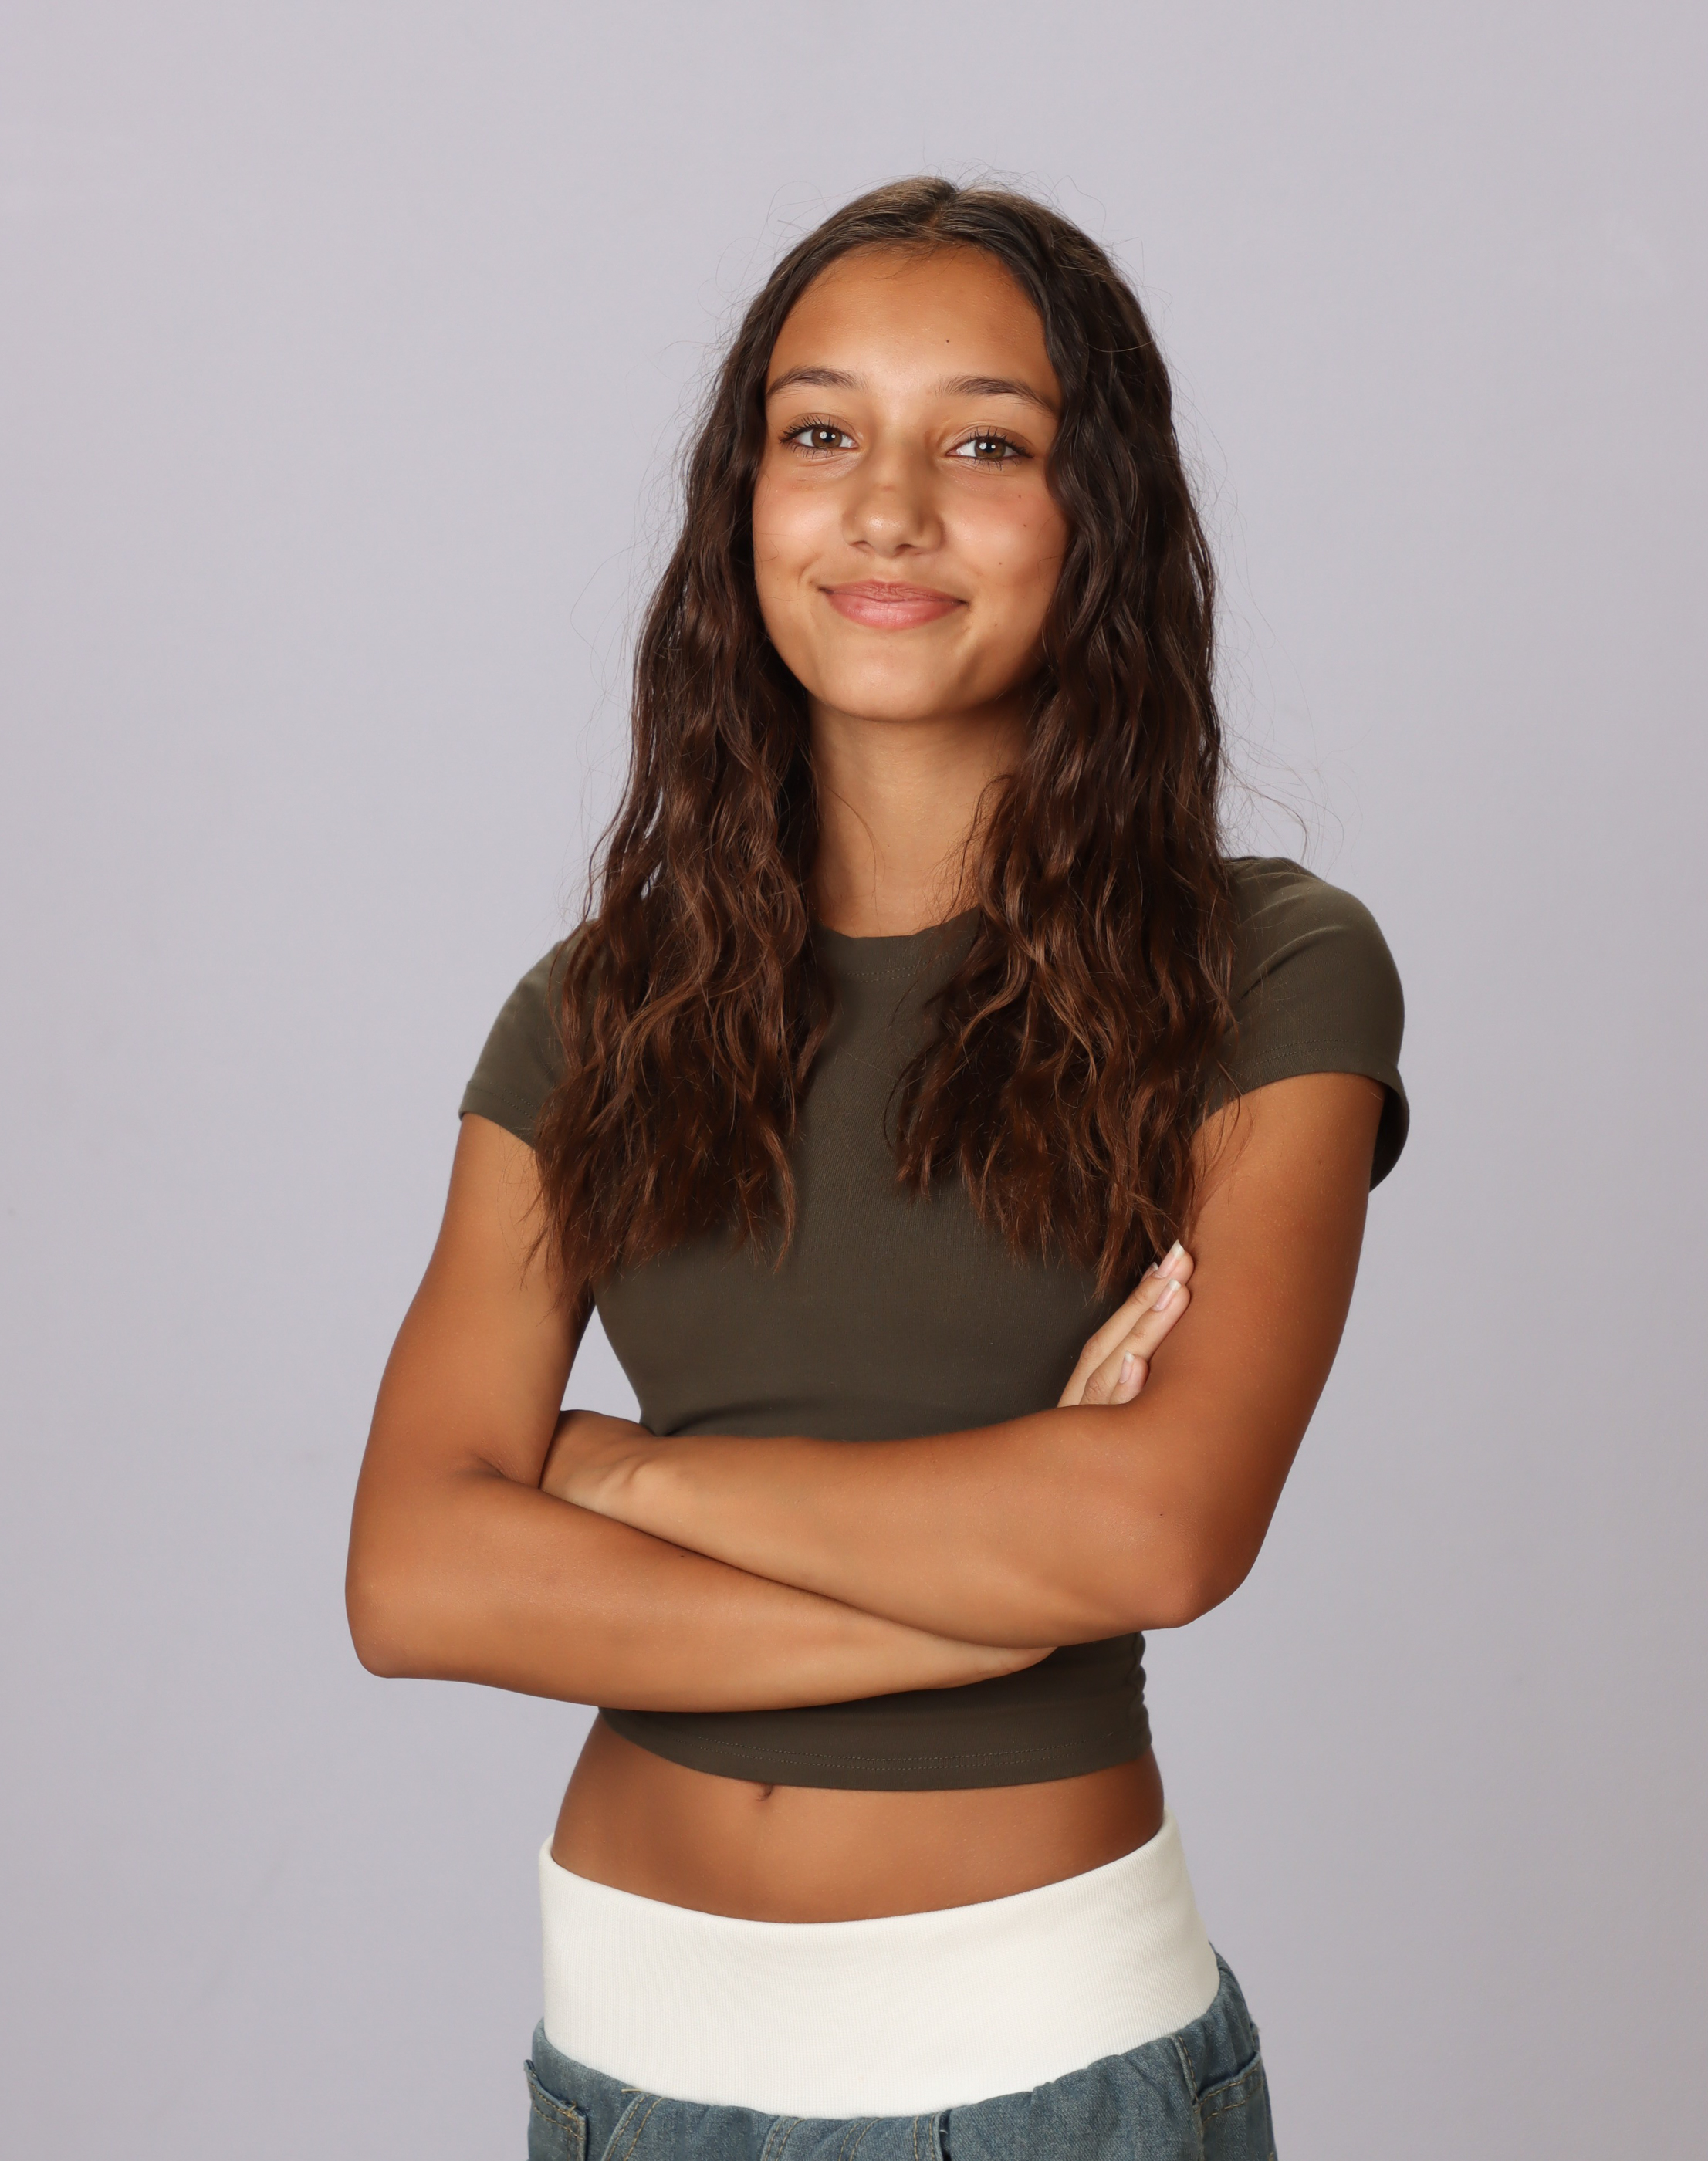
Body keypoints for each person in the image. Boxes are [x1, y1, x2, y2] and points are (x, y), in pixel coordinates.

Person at [346, 177, 1406, 2161]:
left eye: (985, 445)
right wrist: (986, 1600)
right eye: (820, 431)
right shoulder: (604, 1003)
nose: (888, 508)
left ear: (1099, 516)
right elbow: (414, 1574)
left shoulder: (1260, 966)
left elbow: (1160, 1528)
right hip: (623, 2072)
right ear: (744, 502)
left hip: (1035, 2076)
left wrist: (618, 1474)